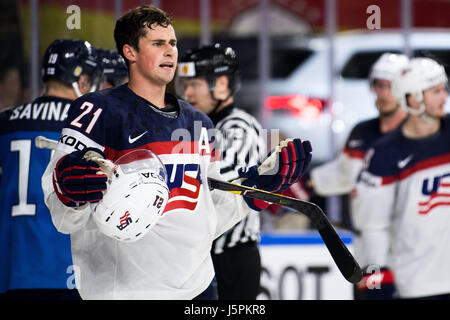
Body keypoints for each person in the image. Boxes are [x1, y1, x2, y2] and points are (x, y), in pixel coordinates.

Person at [40, 5, 312, 300]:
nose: (170, 51)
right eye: (158, 44)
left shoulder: (199, 122)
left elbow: (209, 214)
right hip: (127, 293)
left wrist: (254, 192)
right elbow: (63, 216)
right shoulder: (98, 110)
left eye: (173, 43)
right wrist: (69, 193)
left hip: (200, 289)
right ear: (130, 52)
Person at [0, 38, 102, 299]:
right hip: (72, 269)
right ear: (82, 82)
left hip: (14, 269)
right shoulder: (92, 126)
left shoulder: (7, 121)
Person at [305, 52, 409, 299]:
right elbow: (343, 173)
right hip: (368, 250)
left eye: (390, 87)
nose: (383, 93)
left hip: (408, 249)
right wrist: (307, 183)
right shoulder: (362, 132)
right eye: (378, 85)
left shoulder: (419, 137)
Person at [355, 57, 450, 299]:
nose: (444, 97)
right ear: (412, 98)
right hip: (416, 285)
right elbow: (374, 226)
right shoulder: (384, 154)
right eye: (436, 91)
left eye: (444, 89)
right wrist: (376, 279)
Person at [177, 43, 267, 300]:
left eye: (196, 84)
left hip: (232, 260)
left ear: (222, 84)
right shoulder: (196, 127)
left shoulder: (239, 127)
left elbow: (219, 186)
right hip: (201, 256)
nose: (188, 93)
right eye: (186, 85)